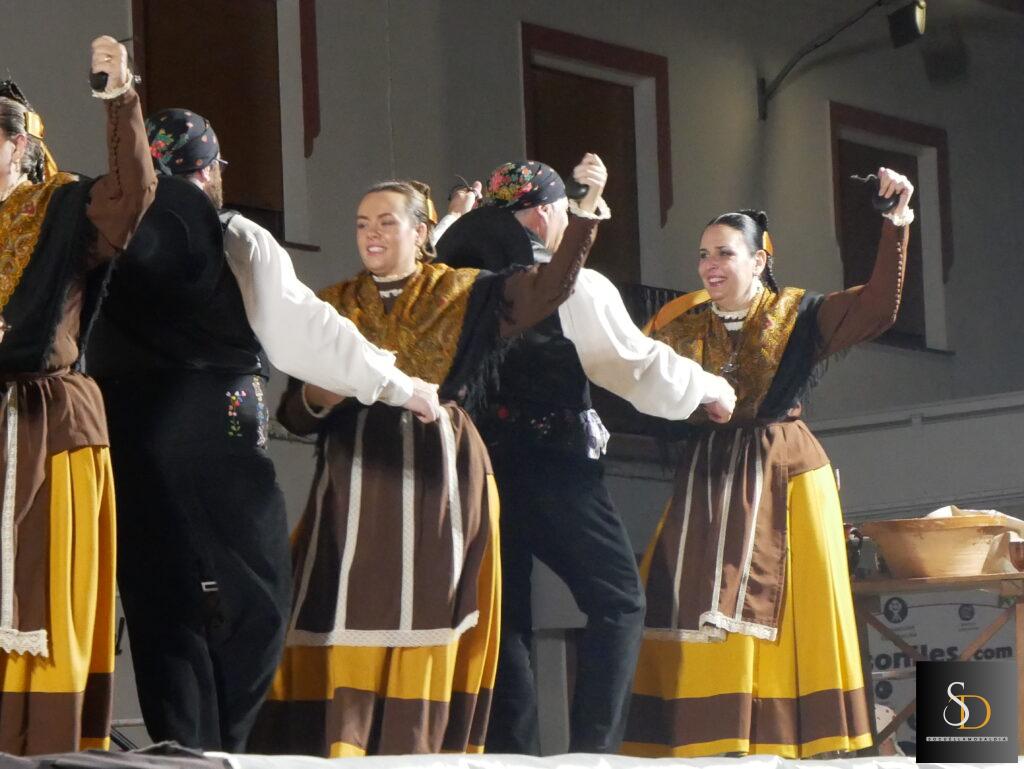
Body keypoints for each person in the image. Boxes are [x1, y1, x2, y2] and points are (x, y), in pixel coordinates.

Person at [86, 109, 439, 752]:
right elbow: (301, 327)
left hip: (123, 427)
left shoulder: (104, 235)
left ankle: (185, 748)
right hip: (215, 420)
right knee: (261, 593)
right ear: (208, 170)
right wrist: (396, 384)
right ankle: (228, 746)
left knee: (160, 598)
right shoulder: (231, 232)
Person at [249, 175, 598, 757]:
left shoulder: (466, 291)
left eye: (387, 222)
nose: (372, 234)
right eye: (362, 224)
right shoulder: (330, 305)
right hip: (354, 481)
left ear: (421, 232)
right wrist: (319, 396)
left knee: (432, 613)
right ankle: (343, 749)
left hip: (441, 472)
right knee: (339, 612)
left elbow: (548, 289)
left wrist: (583, 214)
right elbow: (294, 414)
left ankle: (423, 751)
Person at [435, 158, 735, 754]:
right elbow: (630, 363)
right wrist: (709, 389)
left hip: (475, 467)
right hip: (555, 463)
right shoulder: (566, 284)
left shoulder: (453, 282)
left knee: (506, 611)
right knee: (619, 601)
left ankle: (510, 757)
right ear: (548, 212)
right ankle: (592, 754)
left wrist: (451, 222)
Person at [621, 168, 915, 758]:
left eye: (725, 253)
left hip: (784, 475)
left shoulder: (799, 313)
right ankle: (705, 740)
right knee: (686, 600)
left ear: (758, 261)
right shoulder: (679, 323)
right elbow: (627, 373)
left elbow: (878, 308)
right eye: (703, 254)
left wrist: (896, 223)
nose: (710, 265)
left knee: (786, 610)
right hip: (707, 478)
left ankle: (781, 739)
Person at [0, 38, 156, 754]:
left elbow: (131, 197)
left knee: (40, 598)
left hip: (47, 424)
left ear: (19, 146)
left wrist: (118, 96)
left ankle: (42, 746)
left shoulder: (60, 206)